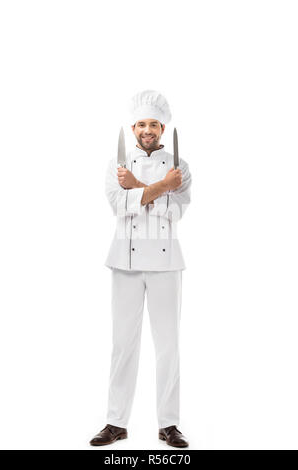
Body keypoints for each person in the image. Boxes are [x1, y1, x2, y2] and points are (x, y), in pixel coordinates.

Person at [90, 90, 192, 448]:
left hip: (166, 263)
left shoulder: (180, 167)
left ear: (162, 128)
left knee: (168, 346)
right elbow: (120, 207)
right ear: (133, 128)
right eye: (141, 124)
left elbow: (176, 212)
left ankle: (169, 424)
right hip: (125, 260)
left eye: (153, 124)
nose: (147, 129)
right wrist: (162, 188)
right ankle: (116, 423)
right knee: (123, 344)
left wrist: (142, 190)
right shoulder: (119, 166)